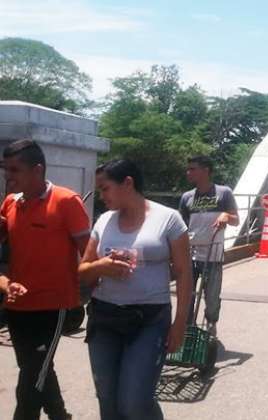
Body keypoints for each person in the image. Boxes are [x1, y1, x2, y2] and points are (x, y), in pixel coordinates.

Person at [78, 159, 191, 420]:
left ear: (127, 183)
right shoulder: (104, 221)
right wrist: (101, 267)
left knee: (134, 403)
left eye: (105, 188)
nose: (101, 196)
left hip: (149, 321)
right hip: (105, 318)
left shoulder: (168, 219)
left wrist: (180, 324)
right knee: (108, 402)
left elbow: (185, 273)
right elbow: (82, 271)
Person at [0, 139, 90, 420]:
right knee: (37, 370)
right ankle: (61, 417)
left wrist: (88, 294)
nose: (8, 176)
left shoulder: (66, 201)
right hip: (17, 308)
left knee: (29, 384)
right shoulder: (10, 204)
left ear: (37, 170)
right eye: (6, 169)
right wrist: (5, 284)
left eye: (15, 170)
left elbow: (88, 255)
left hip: (54, 307)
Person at [179, 155, 239, 334]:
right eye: (188, 168)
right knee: (187, 295)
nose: (188, 172)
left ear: (206, 170)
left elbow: (236, 220)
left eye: (193, 169)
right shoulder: (186, 197)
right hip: (189, 254)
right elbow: (180, 228)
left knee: (211, 297)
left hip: (213, 254)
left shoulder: (224, 193)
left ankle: (211, 324)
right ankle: (189, 330)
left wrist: (227, 216)